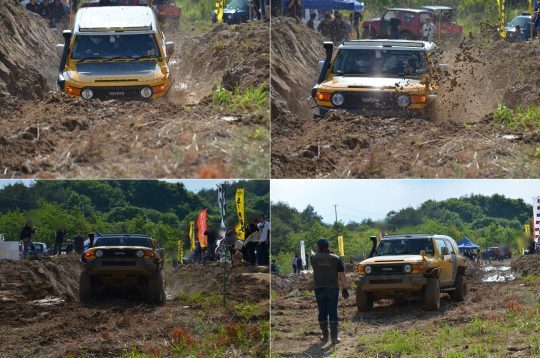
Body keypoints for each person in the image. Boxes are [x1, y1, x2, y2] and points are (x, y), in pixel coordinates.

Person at [311, 239, 349, 345]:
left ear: (318, 247)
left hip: (319, 288)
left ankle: (324, 337)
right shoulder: (336, 259)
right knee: (332, 312)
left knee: (322, 311)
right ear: (327, 246)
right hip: (332, 288)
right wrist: (345, 288)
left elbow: (317, 265)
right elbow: (342, 275)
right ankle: (334, 338)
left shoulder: (313, 258)